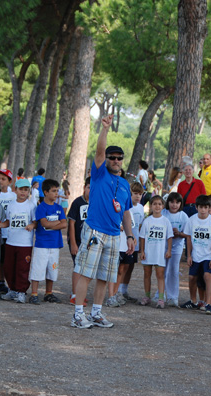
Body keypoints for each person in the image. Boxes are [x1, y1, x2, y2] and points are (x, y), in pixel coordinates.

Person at [71, 115, 134, 329]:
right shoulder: (99, 175)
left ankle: (96, 313)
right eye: (112, 157)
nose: (116, 160)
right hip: (95, 231)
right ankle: (78, 314)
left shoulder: (124, 184)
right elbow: (99, 152)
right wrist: (104, 129)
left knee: (104, 276)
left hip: (115, 235)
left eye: (119, 158)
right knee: (86, 273)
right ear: (106, 159)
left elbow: (125, 213)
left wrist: (130, 235)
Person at [0, 178, 37, 304]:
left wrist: (32, 226)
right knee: (8, 267)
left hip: (25, 243)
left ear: (29, 191)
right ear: (15, 190)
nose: (23, 192)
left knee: (22, 268)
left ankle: (21, 291)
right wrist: (0, 225)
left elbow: (35, 222)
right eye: (21, 189)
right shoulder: (11, 205)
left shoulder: (31, 205)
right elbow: (8, 221)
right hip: (11, 242)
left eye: (26, 190)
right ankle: (12, 289)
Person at [181, 195, 211, 314]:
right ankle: (193, 301)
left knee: (207, 276)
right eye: (201, 207)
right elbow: (189, 238)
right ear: (196, 207)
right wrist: (188, 255)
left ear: (209, 208)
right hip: (196, 255)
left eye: (205, 207)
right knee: (192, 277)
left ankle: (208, 303)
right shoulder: (192, 220)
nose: (203, 210)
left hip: (208, 254)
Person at [28, 179, 67, 305]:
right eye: (54, 191)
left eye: (57, 191)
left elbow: (64, 224)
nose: (56, 194)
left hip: (55, 244)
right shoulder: (41, 207)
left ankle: (48, 293)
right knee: (38, 269)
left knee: (52, 269)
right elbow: (44, 223)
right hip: (42, 244)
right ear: (45, 192)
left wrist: (52, 225)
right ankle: (34, 294)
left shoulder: (59, 208)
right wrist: (57, 223)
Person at [109, 182, 144, 306]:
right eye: (135, 193)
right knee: (116, 269)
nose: (138, 196)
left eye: (140, 194)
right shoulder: (120, 205)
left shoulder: (138, 208)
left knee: (125, 268)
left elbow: (136, 225)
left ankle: (120, 291)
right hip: (119, 242)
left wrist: (136, 240)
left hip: (131, 243)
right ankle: (112, 293)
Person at [138, 195, 173, 308]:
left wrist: (169, 250)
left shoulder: (166, 221)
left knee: (160, 275)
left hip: (160, 252)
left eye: (159, 204)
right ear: (151, 206)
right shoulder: (147, 221)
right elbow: (142, 237)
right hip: (149, 251)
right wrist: (142, 251)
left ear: (163, 206)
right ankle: (147, 296)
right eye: (154, 204)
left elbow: (169, 237)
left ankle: (161, 298)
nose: (157, 206)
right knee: (147, 274)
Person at [162, 192, 189, 307]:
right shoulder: (163, 213)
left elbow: (187, 234)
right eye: (172, 202)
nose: (174, 205)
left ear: (180, 204)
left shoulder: (183, 216)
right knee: (162, 270)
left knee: (173, 270)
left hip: (176, 247)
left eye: (177, 202)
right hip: (163, 246)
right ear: (168, 203)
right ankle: (160, 294)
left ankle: (173, 297)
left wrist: (179, 233)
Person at [67, 177, 90, 304]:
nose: (91, 190)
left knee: (86, 268)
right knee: (78, 267)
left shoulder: (97, 203)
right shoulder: (77, 203)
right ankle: (75, 294)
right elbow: (71, 223)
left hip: (90, 242)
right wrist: (73, 243)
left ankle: (82, 293)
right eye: (89, 187)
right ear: (84, 188)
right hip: (78, 240)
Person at [0, 169, 17, 295]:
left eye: (3, 179)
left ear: (9, 181)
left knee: (10, 259)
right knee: (0, 259)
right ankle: (1, 281)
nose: (0, 181)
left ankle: (12, 284)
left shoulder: (13, 196)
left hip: (11, 232)